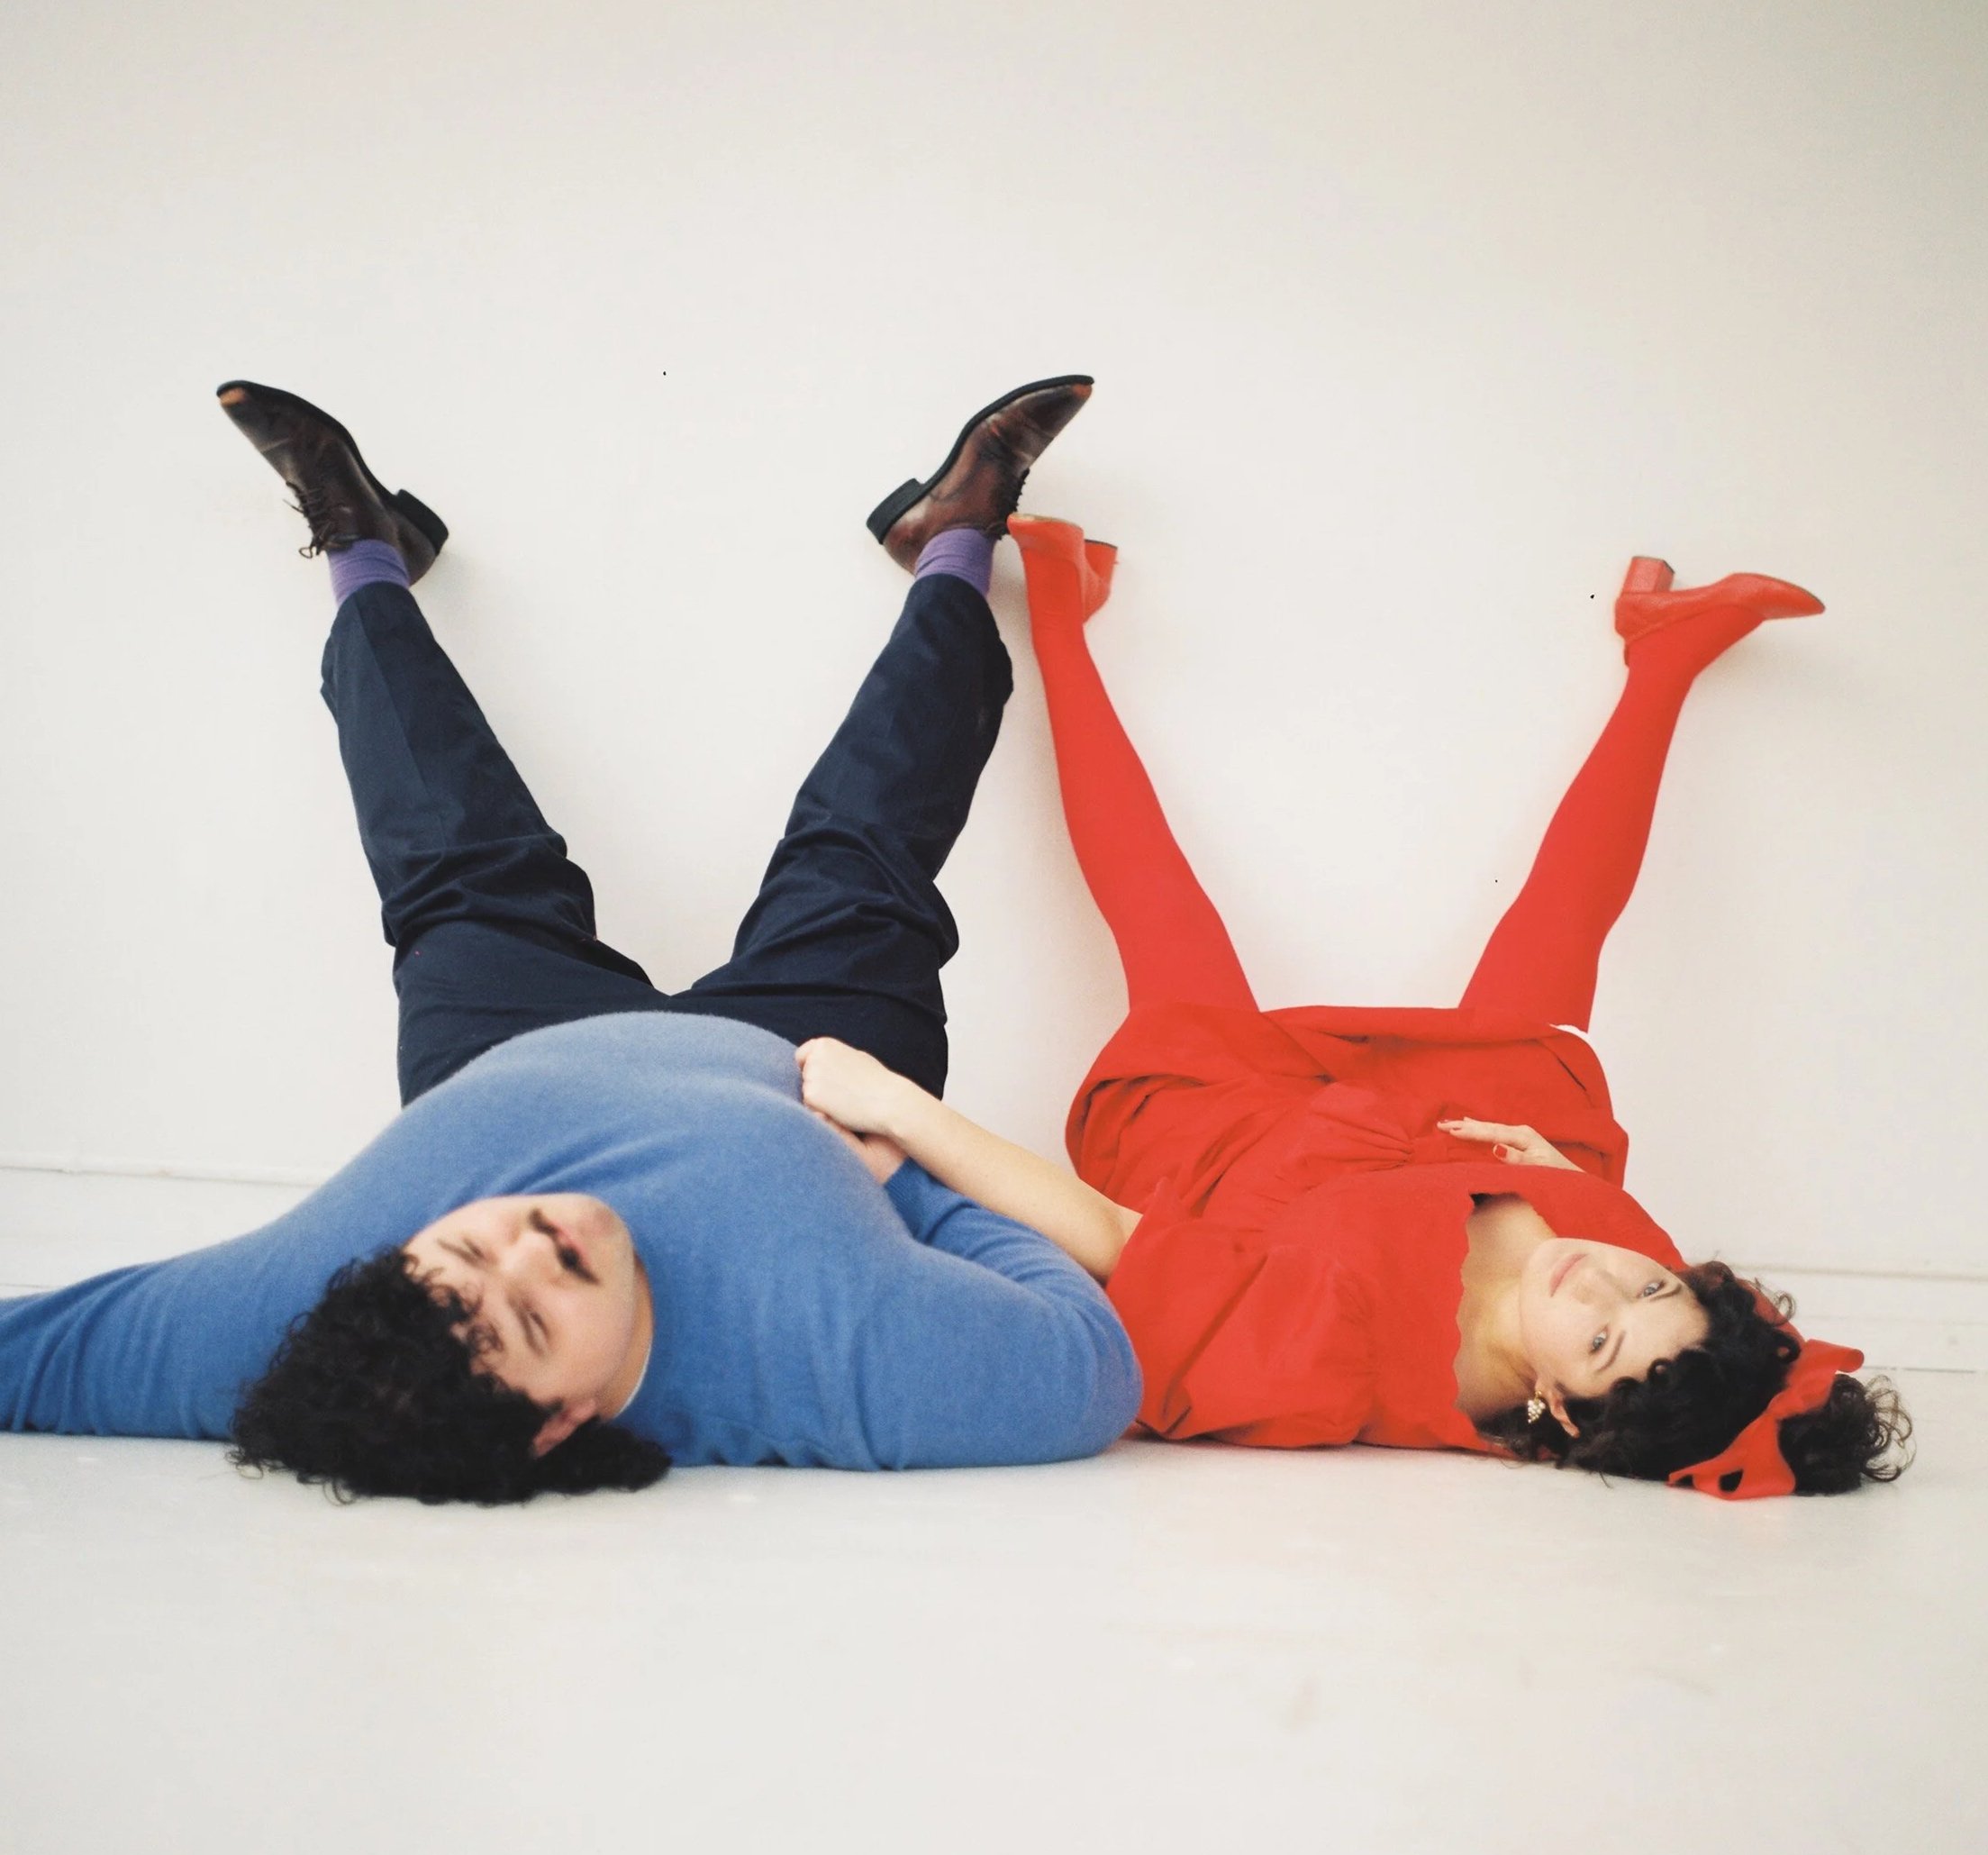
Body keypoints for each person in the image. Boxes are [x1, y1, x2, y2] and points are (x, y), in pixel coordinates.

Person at [0, 379, 1142, 1505]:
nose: (536, 1246)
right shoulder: (835, 1373)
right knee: (863, 854)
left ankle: (363, 548)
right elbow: (1087, 1369)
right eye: (539, 1317)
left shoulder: (315, 1309)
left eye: (469, 1252)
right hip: (814, 1073)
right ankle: (954, 543)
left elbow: (34, 1358)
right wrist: (912, 1171)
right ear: (558, 1426)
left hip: (513, 1038)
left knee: (452, 863)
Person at [793, 514, 1912, 1499]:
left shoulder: (1323, 1357)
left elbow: (1109, 1239)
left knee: (1165, 929)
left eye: (1604, 1333)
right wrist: (1560, 1186)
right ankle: (1662, 655)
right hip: (1439, 1154)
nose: (1606, 1277)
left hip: (1241, 1177)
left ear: (1564, 1411)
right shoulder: (1623, 1269)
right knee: (1552, 969)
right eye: (1653, 1283)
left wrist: (895, 1103)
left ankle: (1061, 620)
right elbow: (1690, 1322)